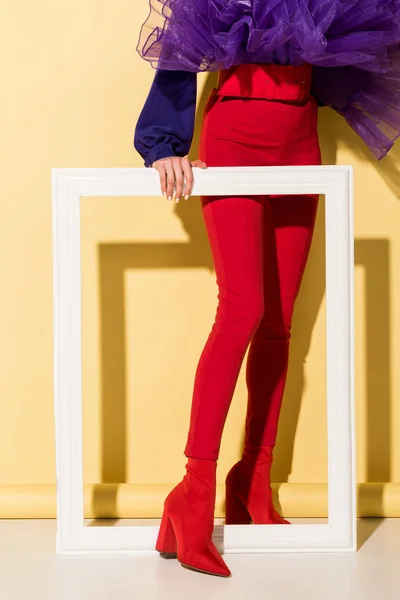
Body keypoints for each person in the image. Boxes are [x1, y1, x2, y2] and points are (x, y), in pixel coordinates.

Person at [134, 1, 400, 577]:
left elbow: (353, 42)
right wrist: (165, 144)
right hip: (235, 134)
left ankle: (253, 482)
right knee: (243, 308)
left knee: (280, 322)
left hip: (300, 136)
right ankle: (193, 490)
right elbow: (182, 43)